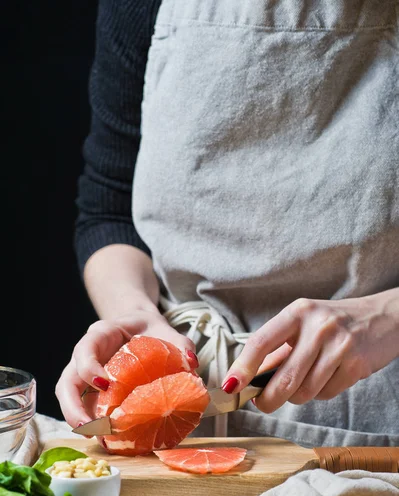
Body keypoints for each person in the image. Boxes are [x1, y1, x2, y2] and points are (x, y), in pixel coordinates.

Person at [55, 0, 399, 447]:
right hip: (181, 419)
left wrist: (387, 316)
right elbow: (108, 210)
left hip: (375, 431)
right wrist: (133, 314)